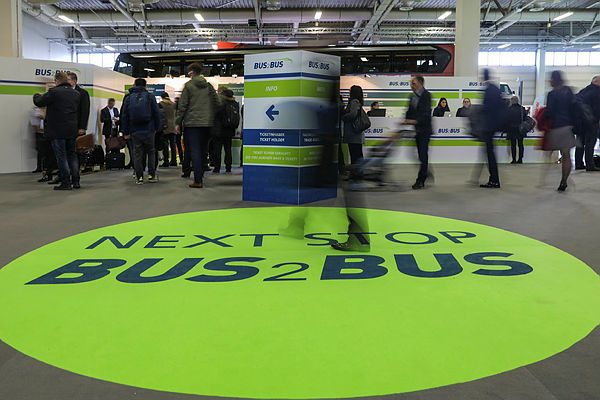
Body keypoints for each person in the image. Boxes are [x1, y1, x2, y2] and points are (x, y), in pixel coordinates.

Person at [32, 71, 82, 191]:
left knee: (61, 156)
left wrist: (36, 95)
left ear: (57, 81)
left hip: (57, 130)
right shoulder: (76, 93)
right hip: (72, 129)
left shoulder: (54, 92)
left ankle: (66, 182)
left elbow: (39, 102)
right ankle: (76, 181)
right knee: (72, 155)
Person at [176, 62, 220, 189]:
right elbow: (217, 102)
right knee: (203, 150)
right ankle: (200, 175)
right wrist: (209, 114)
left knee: (194, 150)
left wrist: (178, 122)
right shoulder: (209, 86)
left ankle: (198, 180)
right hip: (207, 123)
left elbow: (182, 106)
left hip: (192, 123)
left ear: (191, 72)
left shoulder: (188, 86)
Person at [121, 78, 161, 185]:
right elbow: (156, 113)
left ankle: (139, 177)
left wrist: (125, 131)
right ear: (145, 86)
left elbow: (124, 116)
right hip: (149, 129)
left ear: (134, 85)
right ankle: (151, 175)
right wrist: (157, 128)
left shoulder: (129, 98)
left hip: (134, 130)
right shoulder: (150, 96)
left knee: (137, 153)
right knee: (151, 152)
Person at [545, 70, 577, 192]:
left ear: (553, 80)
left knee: (550, 153)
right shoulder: (569, 91)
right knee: (566, 155)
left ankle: (545, 178)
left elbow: (550, 112)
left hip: (557, 127)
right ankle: (564, 181)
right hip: (568, 126)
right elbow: (574, 107)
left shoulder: (552, 94)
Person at [404, 75, 433, 190]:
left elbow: (426, 113)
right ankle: (425, 171)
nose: (411, 85)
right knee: (420, 156)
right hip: (417, 131)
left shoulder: (427, 95)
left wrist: (415, 121)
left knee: (423, 155)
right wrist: (406, 120)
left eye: (414, 83)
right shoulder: (412, 97)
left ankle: (421, 180)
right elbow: (409, 111)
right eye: (411, 83)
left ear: (420, 83)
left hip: (425, 130)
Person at [479, 69, 505, 189]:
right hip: (494, 126)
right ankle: (493, 179)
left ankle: (494, 180)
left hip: (489, 127)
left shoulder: (488, 90)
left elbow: (487, 109)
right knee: (489, 153)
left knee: (490, 154)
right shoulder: (495, 89)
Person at [575, 76, 600, 171]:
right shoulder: (597, 92)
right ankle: (590, 165)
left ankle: (578, 164)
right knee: (590, 143)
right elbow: (597, 109)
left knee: (580, 143)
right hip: (591, 122)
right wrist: (597, 120)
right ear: (596, 82)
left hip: (580, 122)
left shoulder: (583, 91)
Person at [211, 88, 239, 174]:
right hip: (229, 130)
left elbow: (215, 114)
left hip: (219, 130)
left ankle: (217, 168)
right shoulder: (235, 104)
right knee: (228, 149)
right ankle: (228, 168)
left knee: (217, 150)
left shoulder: (221, 104)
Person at [341, 85, 366, 165]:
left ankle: (356, 171)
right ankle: (359, 170)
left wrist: (343, 117)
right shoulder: (358, 102)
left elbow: (352, 114)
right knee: (358, 155)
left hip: (353, 133)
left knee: (354, 155)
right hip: (357, 133)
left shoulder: (354, 102)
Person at [506, 96, 527, 164]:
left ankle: (514, 159)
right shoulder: (522, 109)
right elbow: (525, 118)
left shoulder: (509, 109)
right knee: (520, 144)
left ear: (512, 101)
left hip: (511, 129)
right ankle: (520, 159)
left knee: (513, 145)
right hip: (520, 129)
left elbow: (506, 120)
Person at [159, 93, 178, 167]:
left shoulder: (161, 104)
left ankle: (166, 161)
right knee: (173, 145)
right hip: (173, 126)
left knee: (165, 145)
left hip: (165, 126)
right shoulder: (173, 104)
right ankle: (174, 161)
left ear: (162, 97)